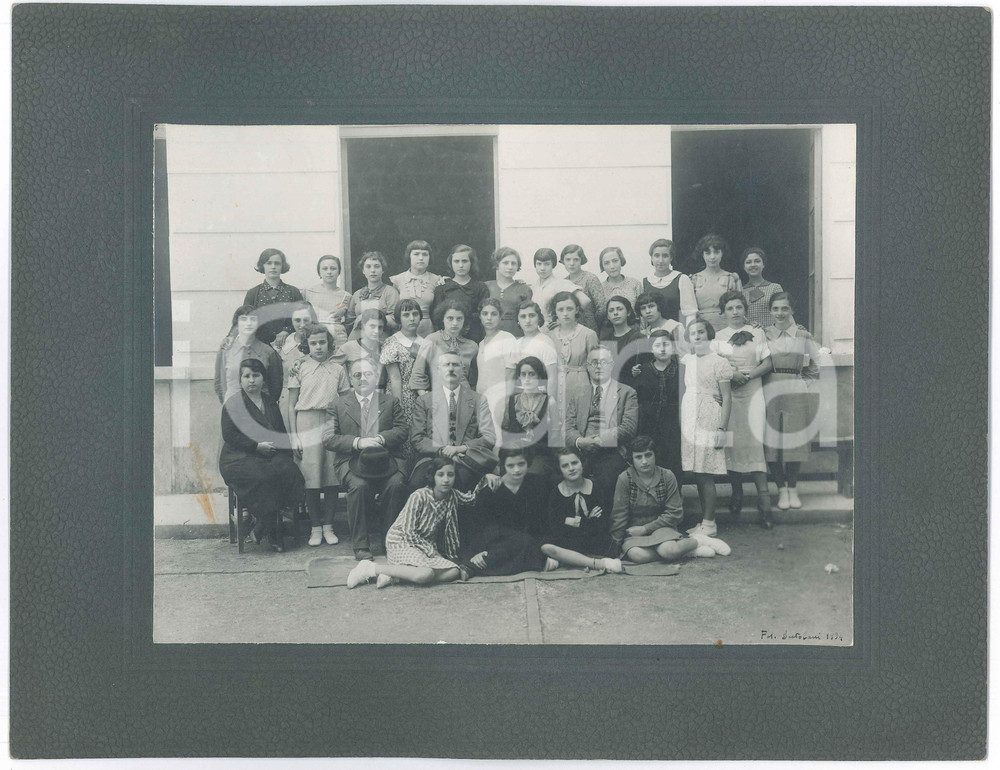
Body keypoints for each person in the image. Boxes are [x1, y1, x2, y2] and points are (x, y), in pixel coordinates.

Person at [346, 458, 483, 589]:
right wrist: (432, 552)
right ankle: (370, 568)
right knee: (425, 574)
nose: (446, 480)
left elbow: (472, 499)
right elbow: (408, 532)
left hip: (424, 546)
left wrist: (486, 478)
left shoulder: (452, 495)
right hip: (402, 541)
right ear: (433, 476)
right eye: (440, 475)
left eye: (450, 475)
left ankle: (396, 575)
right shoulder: (419, 496)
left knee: (454, 571)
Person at [322, 358, 409, 560]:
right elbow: (328, 438)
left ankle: (391, 541)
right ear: (351, 379)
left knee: (396, 484)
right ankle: (361, 545)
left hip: (387, 459)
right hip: (351, 461)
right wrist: (358, 442)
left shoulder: (390, 401)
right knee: (359, 486)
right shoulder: (337, 404)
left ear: (376, 377)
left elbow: (403, 430)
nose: (363, 378)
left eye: (368, 374)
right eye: (357, 375)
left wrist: (381, 438)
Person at [219, 358, 305, 552]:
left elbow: (280, 432)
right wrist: (256, 446)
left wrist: (287, 455)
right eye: (247, 376)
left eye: (256, 375)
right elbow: (230, 435)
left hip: (267, 455)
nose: (251, 380)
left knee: (289, 471)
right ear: (240, 380)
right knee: (263, 477)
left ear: (263, 379)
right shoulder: (233, 404)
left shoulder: (270, 403)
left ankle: (262, 525)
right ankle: (272, 527)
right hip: (238, 457)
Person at [713, 290, 774, 528]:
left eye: (739, 307)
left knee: (754, 442)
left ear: (745, 310)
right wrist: (733, 374)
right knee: (733, 443)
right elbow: (716, 364)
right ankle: (736, 493)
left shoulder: (757, 333)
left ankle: (764, 501)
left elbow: (767, 363)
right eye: (730, 308)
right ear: (723, 312)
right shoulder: (718, 336)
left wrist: (748, 375)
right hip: (730, 393)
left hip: (752, 390)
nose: (735, 312)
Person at [287, 324, 351, 547]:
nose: (318, 347)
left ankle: (328, 526)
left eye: (322, 342)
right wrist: (293, 436)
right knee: (311, 478)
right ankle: (315, 528)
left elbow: (345, 402)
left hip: (331, 422)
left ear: (329, 344)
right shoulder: (300, 368)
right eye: (313, 343)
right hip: (306, 422)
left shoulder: (338, 369)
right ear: (307, 345)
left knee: (331, 477)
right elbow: (291, 404)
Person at [763, 292, 820, 511]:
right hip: (770, 386)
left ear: (792, 311)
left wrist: (805, 381)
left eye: (784, 308)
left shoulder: (802, 334)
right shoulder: (765, 334)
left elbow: (816, 361)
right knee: (772, 439)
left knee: (795, 439)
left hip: (795, 387)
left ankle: (793, 488)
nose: (780, 313)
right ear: (770, 311)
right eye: (776, 309)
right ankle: (781, 490)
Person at [609, 436, 707, 563]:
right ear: (631, 460)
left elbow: (675, 513)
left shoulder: (667, 476)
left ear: (655, 455)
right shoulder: (625, 479)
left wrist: (646, 529)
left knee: (668, 550)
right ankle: (681, 552)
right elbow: (619, 515)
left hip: (662, 527)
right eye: (638, 457)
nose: (644, 461)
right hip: (635, 531)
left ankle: (698, 541)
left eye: (648, 455)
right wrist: (616, 544)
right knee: (638, 555)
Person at [409, 351, 498, 492]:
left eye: (455, 365)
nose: (451, 368)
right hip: (432, 458)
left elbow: (489, 437)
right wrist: (443, 450)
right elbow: (417, 438)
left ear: (462, 370)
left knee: (464, 481)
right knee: (417, 483)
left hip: (466, 459)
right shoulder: (425, 400)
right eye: (446, 365)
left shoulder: (477, 400)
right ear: (438, 370)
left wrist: (461, 448)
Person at [457, 447, 552, 577]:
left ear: (528, 463)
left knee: (528, 543)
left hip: (529, 539)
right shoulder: (492, 490)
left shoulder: (538, 484)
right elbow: (480, 526)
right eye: (511, 465)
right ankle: (477, 562)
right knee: (523, 545)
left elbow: (545, 520)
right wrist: (480, 551)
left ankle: (475, 567)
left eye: (521, 464)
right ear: (503, 466)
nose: (516, 470)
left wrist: (551, 552)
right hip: (498, 541)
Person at [679, 318, 732, 538]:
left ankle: (710, 523)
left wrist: (722, 429)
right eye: (693, 333)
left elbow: (727, 397)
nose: (698, 336)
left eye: (701, 331)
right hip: (689, 413)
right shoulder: (687, 359)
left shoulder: (719, 362)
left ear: (709, 334)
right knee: (697, 471)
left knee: (706, 471)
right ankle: (704, 521)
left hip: (709, 414)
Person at [563, 346, 639, 501]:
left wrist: (600, 440)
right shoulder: (577, 392)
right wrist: (580, 441)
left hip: (612, 451)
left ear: (611, 365)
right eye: (594, 362)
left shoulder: (626, 392)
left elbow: (629, 428)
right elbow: (568, 427)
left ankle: (604, 523)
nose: (598, 366)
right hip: (581, 451)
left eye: (603, 362)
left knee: (606, 480)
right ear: (586, 367)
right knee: (557, 478)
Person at [538, 448, 623, 573]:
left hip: (593, 539)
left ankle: (572, 560)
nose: (571, 468)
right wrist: (587, 521)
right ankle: (596, 562)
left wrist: (571, 521)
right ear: (560, 469)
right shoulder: (556, 493)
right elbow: (557, 527)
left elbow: (600, 524)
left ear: (582, 463)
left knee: (610, 546)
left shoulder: (595, 488)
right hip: (568, 540)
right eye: (565, 465)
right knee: (546, 546)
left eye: (574, 463)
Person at [632, 330, 683, 485]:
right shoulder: (642, 371)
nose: (662, 349)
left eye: (666, 344)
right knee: (652, 462)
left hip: (674, 426)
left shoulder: (682, 370)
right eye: (657, 345)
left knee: (673, 462)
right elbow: (638, 399)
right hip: (649, 425)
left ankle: (675, 501)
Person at [379, 299, 426, 460]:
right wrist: (397, 407)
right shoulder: (392, 342)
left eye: (415, 314)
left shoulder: (425, 342)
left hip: (421, 396)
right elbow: (395, 378)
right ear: (399, 318)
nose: (412, 318)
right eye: (406, 315)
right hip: (401, 396)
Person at [214, 305, 283, 404]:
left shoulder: (268, 352)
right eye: (244, 319)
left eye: (253, 319)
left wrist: (267, 405)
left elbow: (276, 385)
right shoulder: (226, 350)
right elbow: (219, 383)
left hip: (262, 408)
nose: (249, 323)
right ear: (236, 324)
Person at [501, 356, 557, 478]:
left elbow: (555, 437)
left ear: (540, 377)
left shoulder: (549, 402)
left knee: (532, 476)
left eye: (532, 374)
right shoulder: (512, 401)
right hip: (515, 454)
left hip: (540, 455)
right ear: (519, 377)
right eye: (523, 374)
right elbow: (505, 431)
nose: (527, 379)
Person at [408, 300, 479, 393]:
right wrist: (426, 399)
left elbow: (475, 378)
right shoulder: (431, 340)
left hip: (465, 398)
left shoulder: (472, 346)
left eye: (459, 319)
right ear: (442, 318)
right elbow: (418, 374)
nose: (454, 323)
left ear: (464, 320)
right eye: (450, 318)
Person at [547, 291, 599, 410]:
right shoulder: (550, 336)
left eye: (569, 309)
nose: (565, 313)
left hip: (581, 385)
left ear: (576, 310)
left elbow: (595, 367)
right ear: (555, 311)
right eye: (560, 310)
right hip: (556, 386)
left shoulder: (588, 334)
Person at [475, 298, 518, 442]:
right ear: (480, 316)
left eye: (493, 314)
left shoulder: (507, 338)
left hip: (499, 399)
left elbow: (511, 373)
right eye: (485, 313)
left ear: (500, 317)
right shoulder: (481, 343)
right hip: (482, 398)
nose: (489, 318)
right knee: (484, 438)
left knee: (496, 441)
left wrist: (506, 405)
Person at [242, 248, 304, 345]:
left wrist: (287, 330)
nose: (273, 266)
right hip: (260, 345)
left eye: (277, 263)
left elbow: (303, 318)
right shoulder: (253, 293)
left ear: (282, 266)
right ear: (262, 265)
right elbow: (245, 321)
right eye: (269, 263)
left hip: (289, 344)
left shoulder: (293, 292)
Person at [430, 244, 490, 342]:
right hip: (447, 338)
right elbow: (436, 317)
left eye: (465, 261)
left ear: (471, 262)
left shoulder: (480, 287)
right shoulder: (442, 288)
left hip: (473, 337)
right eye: (456, 261)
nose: (460, 265)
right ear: (451, 263)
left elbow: (484, 314)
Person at [690, 234, 743, 332]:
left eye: (716, 252)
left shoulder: (731, 278)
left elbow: (739, 306)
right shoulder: (694, 279)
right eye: (708, 253)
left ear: (722, 253)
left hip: (726, 327)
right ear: (702, 254)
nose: (712, 257)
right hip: (701, 329)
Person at [390, 240, 442, 337]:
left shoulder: (437, 280)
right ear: (409, 256)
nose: (421, 258)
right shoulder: (397, 280)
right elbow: (395, 310)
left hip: (427, 330)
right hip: (404, 329)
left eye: (425, 254)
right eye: (416, 254)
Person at [528, 248, 590, 328]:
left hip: (553, 329)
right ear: (535, 265)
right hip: (535, 329)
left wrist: (562, 320)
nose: (542, 268)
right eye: (539, 264)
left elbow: (585, 300)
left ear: (553, 265)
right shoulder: (534, 286)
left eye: (547, 264)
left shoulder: (559, 283)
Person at [344, 251, 400, 338]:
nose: (373, 270)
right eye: (368, 267)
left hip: (380, 340)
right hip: (357, 340)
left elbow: (396, 322)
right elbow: (349, 322)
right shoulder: (357, 294)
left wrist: (365, 316)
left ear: (383, 270)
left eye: (377, 266)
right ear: (363, 271)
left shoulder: (390, 292)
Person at [641, 239, 696, 326]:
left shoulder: (681, 279)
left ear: (671, 258)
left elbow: (690, 313)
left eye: (665, 256)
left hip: (677, 332)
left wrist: (687, 334)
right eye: (656, 256)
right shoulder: (645, 282)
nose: (661, 260)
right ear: (651, 258)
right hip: (654, 334)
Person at [303, 255, 350, 347]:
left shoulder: (346, 296)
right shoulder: (308, 292)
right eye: (325, 269)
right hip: (315, 338)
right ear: (319, 272)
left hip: (338, 339)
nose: (329, 272)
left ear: (339, 272)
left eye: (333, 268)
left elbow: (349, 322)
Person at [485, 246, 533, 337]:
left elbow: (527, 315)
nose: (510, 267)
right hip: (490, 334)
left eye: (513, 263)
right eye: (505, 263)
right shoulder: (487, 286)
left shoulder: (524, 289)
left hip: (515, 335)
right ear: (497, 264)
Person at [599, 295, 644, 387]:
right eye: (611, 310)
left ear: (628, 312)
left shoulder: (639, 337)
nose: (615, 313)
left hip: (632, 388)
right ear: (608, 316)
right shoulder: (605, 341)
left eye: (619, 309)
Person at [559, 244, 605, 332]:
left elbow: (602, 309)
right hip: (569, 330)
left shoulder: (590, 278)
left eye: (576, 259)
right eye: (568, 259)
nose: (571, 263)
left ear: (581, 260)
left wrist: (593, 324)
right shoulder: (563, 282)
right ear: (563, 261)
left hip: (589, 329)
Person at [512, 300, 559, 386]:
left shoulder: (545, 342)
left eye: (532, 315)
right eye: (523, 316)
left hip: (540, 394)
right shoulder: (517, 343)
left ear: (539, 318)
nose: (527, 320)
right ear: (518, 320)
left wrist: (551, 398)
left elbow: (552, 378)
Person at [340, 308, 386, 389]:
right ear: (364, 325)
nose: (376, 331)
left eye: (380, 327)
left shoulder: (385, 347)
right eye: (372, 326)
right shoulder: (348, 347)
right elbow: (333, 369)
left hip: (379, 394)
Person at [740, 247, 784, 329]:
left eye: (757, 261)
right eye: (749, 262)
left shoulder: (775, 288)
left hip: (772, 335)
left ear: (763, 264)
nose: (753, 265)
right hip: (749, 336)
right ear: (744, 267)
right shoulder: (740, 292)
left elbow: (784, 311)